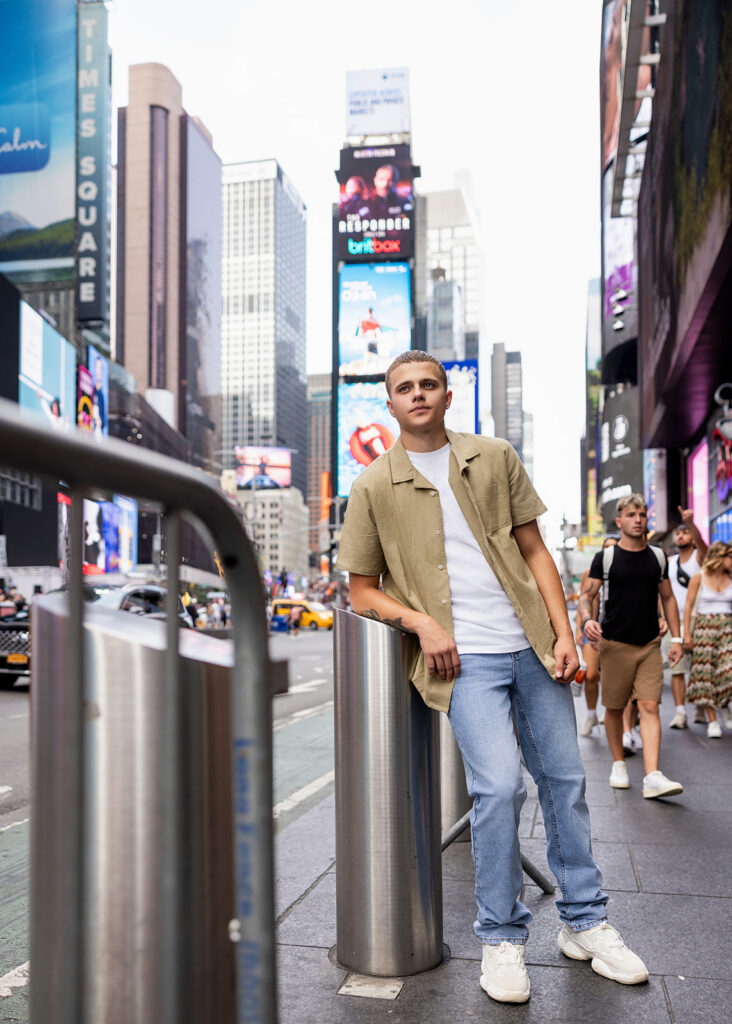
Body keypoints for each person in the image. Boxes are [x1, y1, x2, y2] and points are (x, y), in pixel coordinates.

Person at [337, 351, 648, 1005]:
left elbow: (535, 549)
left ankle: (585, 923)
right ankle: (502, 938)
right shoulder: (372, 486)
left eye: (429, 385)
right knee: (498, 789)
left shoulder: (493, 457)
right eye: (404, 388)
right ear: (389, 404)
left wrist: (562, 635)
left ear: (448, 397)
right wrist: (420, 622)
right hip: (465, 663)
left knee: (565, 783)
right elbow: (361, 590)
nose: (418, 394)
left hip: (533, 649)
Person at [580, 495, 684, 798]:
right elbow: (588, 595)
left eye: (642, 514)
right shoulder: (606, 558)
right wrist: (587, 621)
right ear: (619, 520)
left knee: (650, 705)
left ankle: (652, 775)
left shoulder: (658, 556)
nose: (638, 519)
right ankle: (618, 764)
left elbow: (667, 597)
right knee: (613, 707)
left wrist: (675, 638)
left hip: (650, 643)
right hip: (614, 644)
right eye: (631, 514)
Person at [683, 541, 732, 738]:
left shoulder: (730, 577)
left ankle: (724, 704)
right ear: (720, 557)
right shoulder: (699, 577)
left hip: (728, 629)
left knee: (727, 672)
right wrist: (686, 634)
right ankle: (712, 720)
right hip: (704, 629)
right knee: (705, 676)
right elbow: (688, 606)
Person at [666, 509, 708, 729]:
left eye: (685, 533)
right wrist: (663, 618)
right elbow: (662, 593)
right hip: (675, 624)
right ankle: (680, 712)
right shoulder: (670, 562)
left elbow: (703, 544)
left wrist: (691, 522)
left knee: (700, 668)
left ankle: (700, 706)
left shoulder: (699, 558)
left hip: (698, 621)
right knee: (677, 668)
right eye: (678, 533)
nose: (680, 536)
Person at [575, 535, 618, 736]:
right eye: (606, 547)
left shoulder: (623, 572)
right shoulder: (591, 572)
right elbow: (584, 600)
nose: (610, 551)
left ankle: (612, 715)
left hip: (615, 632)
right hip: (591, 629)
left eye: (614, 548)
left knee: (612, 678)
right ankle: (591, 715)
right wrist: (579, 629)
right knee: (591, 675)